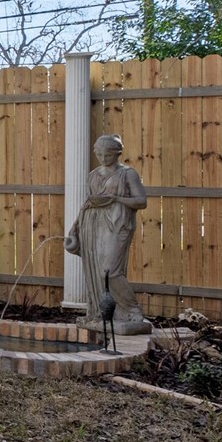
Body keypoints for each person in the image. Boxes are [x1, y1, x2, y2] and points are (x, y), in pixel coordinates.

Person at [65, 133, 149, 335]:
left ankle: (131, 309)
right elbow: (87, 204)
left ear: (117, 153)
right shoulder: (93, 175)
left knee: (110, 270)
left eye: (108, 155)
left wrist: (115, 199)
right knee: (95, 271)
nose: (103, 158)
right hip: (92, 225)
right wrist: (74, 229)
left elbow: (141, 201)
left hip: (118, 224)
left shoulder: (128, 174)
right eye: (100, 154)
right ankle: (103, 311)